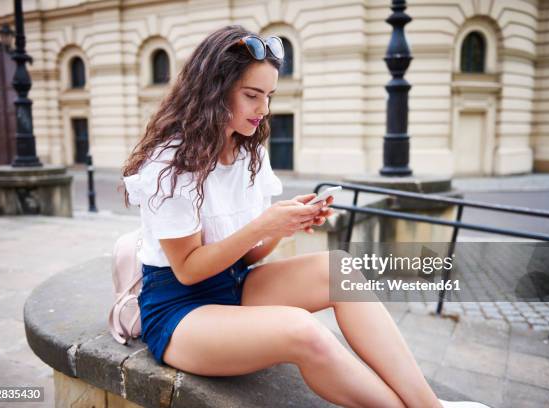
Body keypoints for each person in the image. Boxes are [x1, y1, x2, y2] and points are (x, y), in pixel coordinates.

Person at [122, 25, 489, 408]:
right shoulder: (171, 161)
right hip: (180, 312)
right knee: (304, 332)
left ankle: (426, 402)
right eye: (251, 95)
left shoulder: (249, 152)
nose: (263, 109)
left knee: (340, 271)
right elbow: (188, 270)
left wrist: (284, 226)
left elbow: (249, 257)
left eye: (268, 95)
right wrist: (263, 225)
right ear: (214, 90)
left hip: (233, 286)